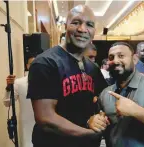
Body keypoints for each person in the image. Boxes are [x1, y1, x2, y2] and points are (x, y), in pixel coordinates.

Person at [27, 5, 108, 147]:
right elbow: (46, 119)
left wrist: (100, 117)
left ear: (94, 31)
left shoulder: (92, 68)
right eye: (76, 22)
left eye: (89, 25)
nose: (82, 29)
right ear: (65, 26)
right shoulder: (45, 63)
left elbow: (103, 101)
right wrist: (89, 133)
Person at [3, 56, 35, 147]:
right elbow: (7, 103)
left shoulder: (48, 82)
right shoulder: (19, 83)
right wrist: (8, 87)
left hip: (45, 127)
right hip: (27, 127)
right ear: (27, 66)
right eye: (31, 64)